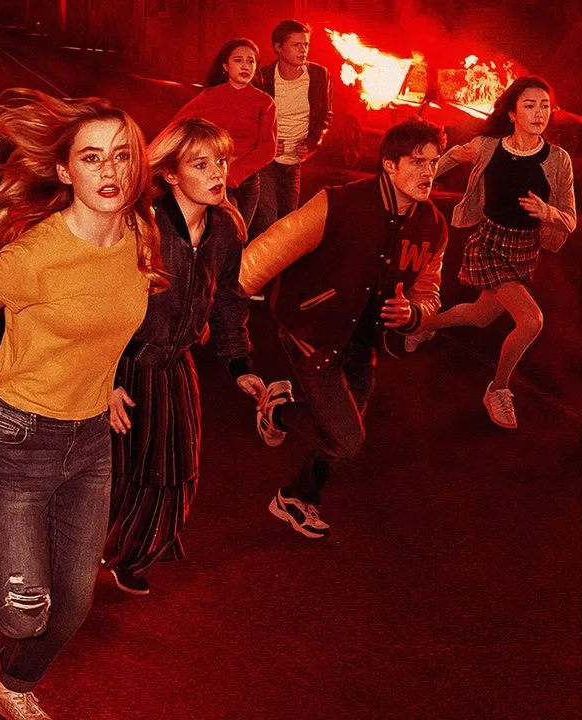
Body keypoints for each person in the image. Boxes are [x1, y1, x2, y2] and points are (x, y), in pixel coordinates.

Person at [0, 88, 163, 719]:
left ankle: (9, 684)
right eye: (91, 157)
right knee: (22, 614)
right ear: (66, 172)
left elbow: (105, 322)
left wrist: (105, 381)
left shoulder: (140, 235)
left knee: (73, 604)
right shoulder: (35, 256)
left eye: (121, 155)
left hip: (91, 441)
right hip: (20, 438)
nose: (109, 170)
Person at [240, 118, 448, 538]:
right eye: (417, 161)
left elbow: (429, 291)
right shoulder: (339, 203)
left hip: (363, 341)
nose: (429, 171)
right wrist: (218, 307)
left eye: (434, 161)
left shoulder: (433, 225)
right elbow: (268, 250)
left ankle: (295, 493)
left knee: (342, 434)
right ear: (389, 164)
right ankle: (279, 422)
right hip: (312, 332)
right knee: (348, 438)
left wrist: (414, 314)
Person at [103, 118, 261, 595]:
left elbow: (228, 300)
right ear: (170, 173)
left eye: (221, 162)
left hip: (175, 366)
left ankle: (133, 553)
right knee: (117, 469)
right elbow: (101, 304)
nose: (217, 173)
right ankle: (85, 551)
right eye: (201, 164)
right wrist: (104, 380)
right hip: (125, 361)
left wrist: (239, 364)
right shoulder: (140, 224)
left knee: (176, 467)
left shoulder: (226, 228)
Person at [405, 77, 575, 428]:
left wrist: (550, 213)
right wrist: (421, 180)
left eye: (545, 106)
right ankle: (498, 389)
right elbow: (453, 156)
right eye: (529, 105)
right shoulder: (488, 147)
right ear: (512, 113)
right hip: (490, 245)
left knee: (481, 315)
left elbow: (570, 220)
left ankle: (421, 324)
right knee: (531, 320)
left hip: (525, 250)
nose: (539, 113)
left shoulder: (559, 160)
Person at [170, 38, 277, 229]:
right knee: (223, 232)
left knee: (238, 237)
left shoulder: (265, 102)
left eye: (251, 61)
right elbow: (175, 128)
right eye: (238, 60)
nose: (245, 66)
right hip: (214, 178)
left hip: (248, 182)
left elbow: (268, 148)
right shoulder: (209, 97)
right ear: (225, 66)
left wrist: (235, 173)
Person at [252, 19, 333, 236]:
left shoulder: (319, 75)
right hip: (266, 162)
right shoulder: (263, 78)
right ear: (278, 47)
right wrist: (266, 142)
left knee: (288, 224)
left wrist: (313, 143)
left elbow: (325, 115)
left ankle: (278, 261)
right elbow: (251, 119)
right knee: (267, 221)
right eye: (296, 45)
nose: (303, 50)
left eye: (306, 44)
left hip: (294, 162)